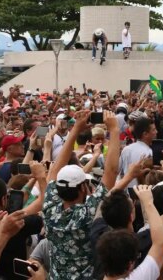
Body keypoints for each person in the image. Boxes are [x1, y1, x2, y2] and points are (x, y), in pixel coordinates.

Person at [42, 110, 122, 280]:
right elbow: (112, 172)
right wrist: (114, 130)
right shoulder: (87, 213)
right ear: (83, 188)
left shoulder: (49, 208)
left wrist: (76, 129)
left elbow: (53, 172)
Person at [118, 117, 156, 188]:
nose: (156, 132)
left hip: (126, 190)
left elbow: (118, 170)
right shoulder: (150, 153)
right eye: (153, 130)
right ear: (145, 134)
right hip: (143, 192)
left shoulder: (126, 149)